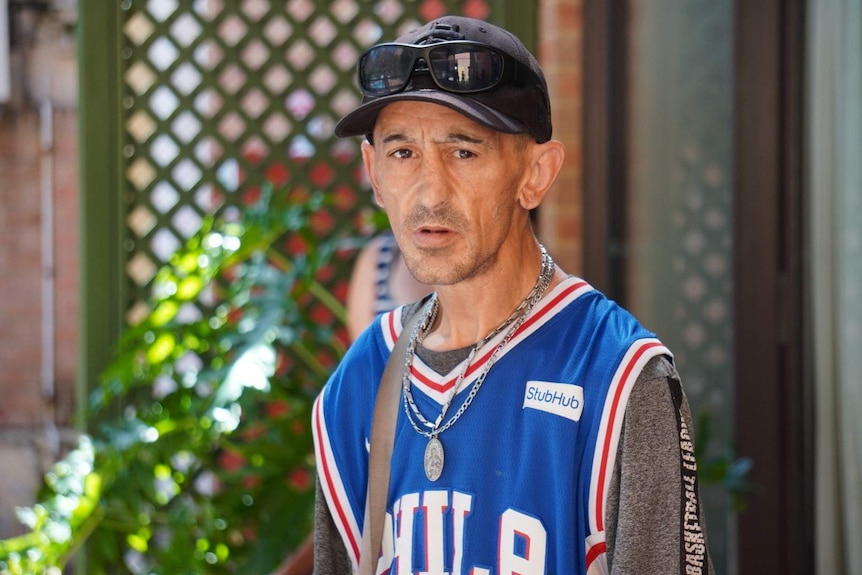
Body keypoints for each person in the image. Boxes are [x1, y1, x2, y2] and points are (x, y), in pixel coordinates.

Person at [312, 15, 715, 574]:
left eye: (464, 152)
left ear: (537, 174)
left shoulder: (617, 378)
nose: (429, 191)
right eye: (402, 153)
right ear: (373, 173)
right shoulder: (363, 377)